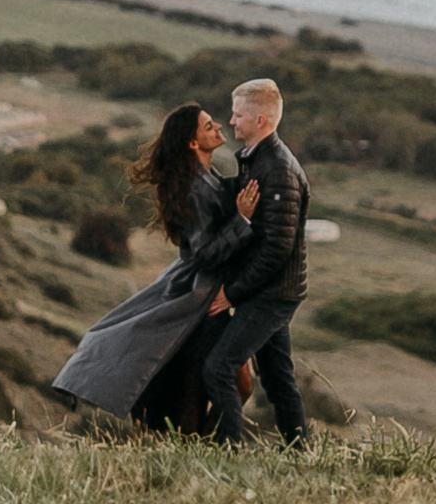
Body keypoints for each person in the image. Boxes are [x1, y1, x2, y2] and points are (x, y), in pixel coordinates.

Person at [50, 103, 258, 427]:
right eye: (208, 126)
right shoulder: (194, 190)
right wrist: (242, 220)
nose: (218, 126)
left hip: (208, 293)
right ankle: (207, 442)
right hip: (201, 298)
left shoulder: (208, 178)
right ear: (193, 143)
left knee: (234, 387)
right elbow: (205, 254)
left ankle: (207, 441)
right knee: (229, 386)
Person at [195, 77, 311, 445]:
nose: (231, 121)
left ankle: (228, 449)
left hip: (272, 293)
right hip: (270, 290)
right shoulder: (256, 160)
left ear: (260, 120)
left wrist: (232, 293)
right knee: (277, 379)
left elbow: (277, 247)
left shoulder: (277, 170)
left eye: (238, 115)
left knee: (219, 368)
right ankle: (299, 451)